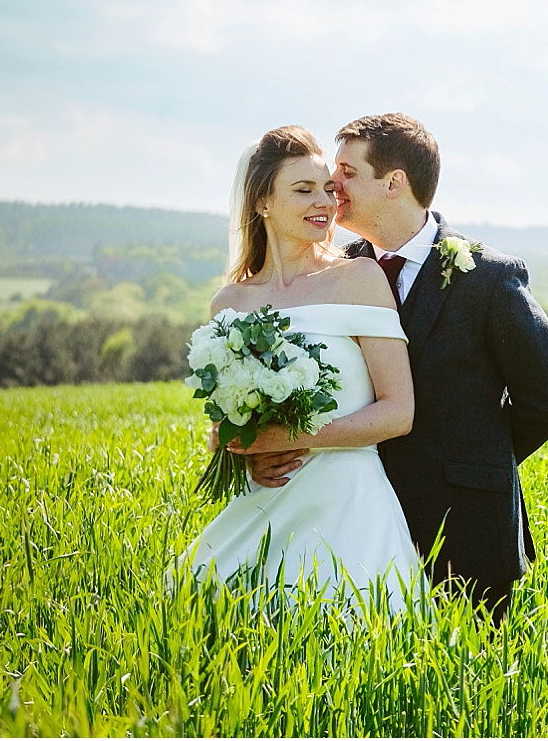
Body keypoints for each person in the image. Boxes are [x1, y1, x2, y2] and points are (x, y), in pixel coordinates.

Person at [245, 113, 548, 624]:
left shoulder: (488, 277)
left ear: (394, 183)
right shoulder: (335, 273)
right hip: (351, 520)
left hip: (465, 525)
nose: (333, 185)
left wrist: (476, 459)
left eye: (348, 173)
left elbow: (547, 401)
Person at [177, 125, 425, 613]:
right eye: (304, 190)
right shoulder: (229, 304)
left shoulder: (360, 279)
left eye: (328, 189)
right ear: (262, 202)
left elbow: (399, 412)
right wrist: (241, 449)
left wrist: (295, 437)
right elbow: (221, 425)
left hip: (349, 503)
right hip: (265, 499)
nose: (326, 202)